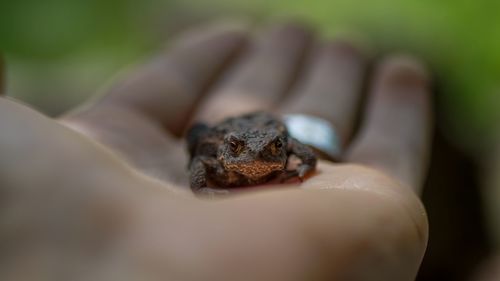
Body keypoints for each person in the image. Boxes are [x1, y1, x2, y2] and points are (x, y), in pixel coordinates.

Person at [0, 22, 432, 280]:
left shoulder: (280, 151)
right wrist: (207, 192)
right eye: (248, 154)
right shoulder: (222, 159)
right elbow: (202, 163)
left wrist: (300, 170)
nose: (261, 160)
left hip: (262, 127)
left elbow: (305, 153)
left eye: (277, 153)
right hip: (228, 131)